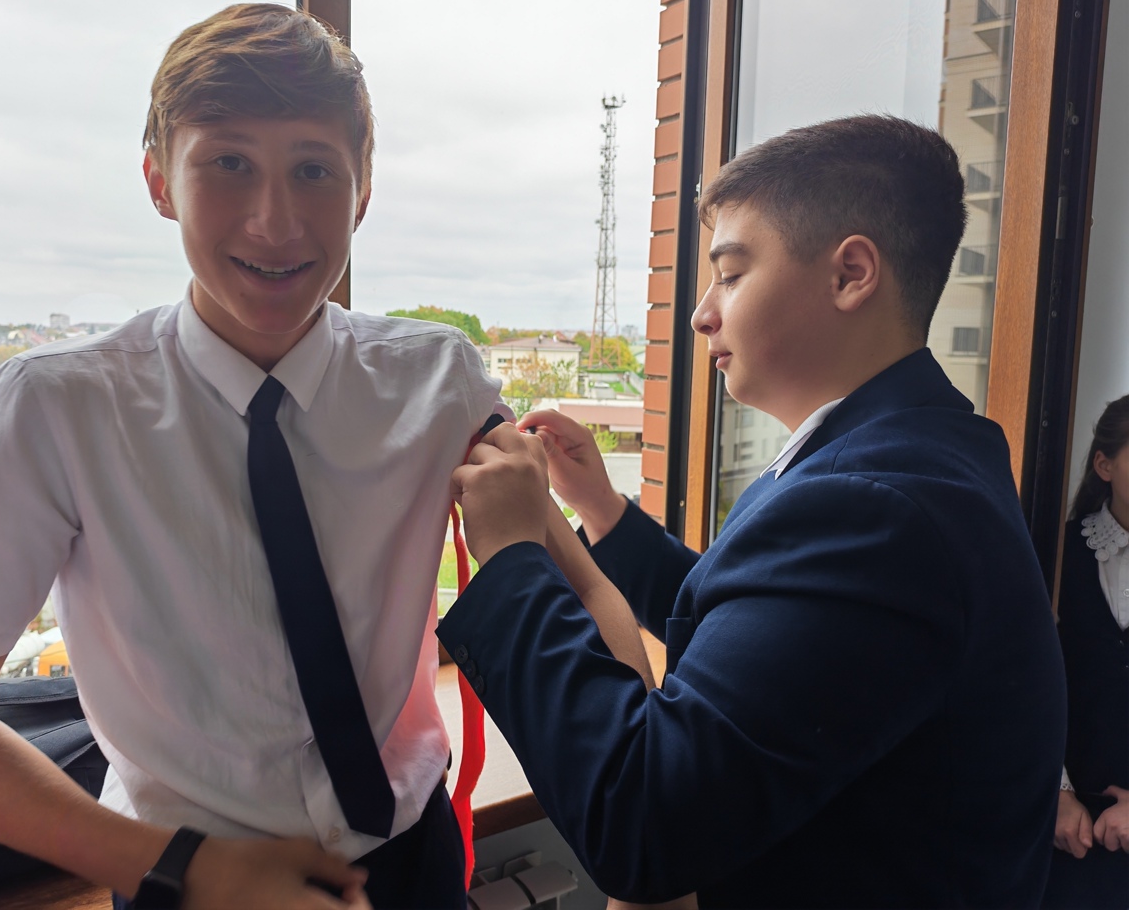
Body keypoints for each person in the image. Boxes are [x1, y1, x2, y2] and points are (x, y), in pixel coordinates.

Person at [0, 4, 509, 910]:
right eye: (228, 163)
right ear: (159, 181)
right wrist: (181, 868)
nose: (275, 221)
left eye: (313, 170)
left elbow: (542, 580)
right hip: (184, 875)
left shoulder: (439, 379)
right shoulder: (59, 407)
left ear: (363, 191)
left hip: (414, 860)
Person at [439, 115, 1067, 907]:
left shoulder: (878, 507)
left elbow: (644, 822)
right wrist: (600, 510)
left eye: (731, 274)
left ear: (852, 275)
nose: (702, 314)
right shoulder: (913, 449)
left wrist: (508, 559)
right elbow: (762, 631)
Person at [1044, 394, 1129, 909]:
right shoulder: (1052, 555)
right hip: (1068, 830)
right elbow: (1021, 687)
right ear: (1104, 465)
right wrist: (1055, 793)